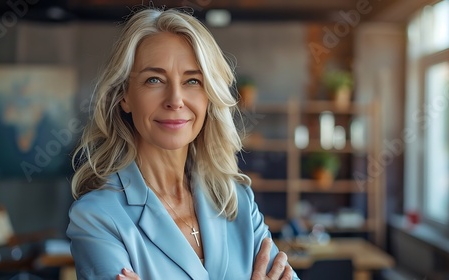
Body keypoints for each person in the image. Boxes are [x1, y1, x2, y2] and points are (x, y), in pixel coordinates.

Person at [66, 7, 300, 280]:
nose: (175, 99)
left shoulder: (237, 201)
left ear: (209, 95)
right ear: (124, 96)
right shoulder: (97, 217)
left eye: (192, 81)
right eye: (154, 79)